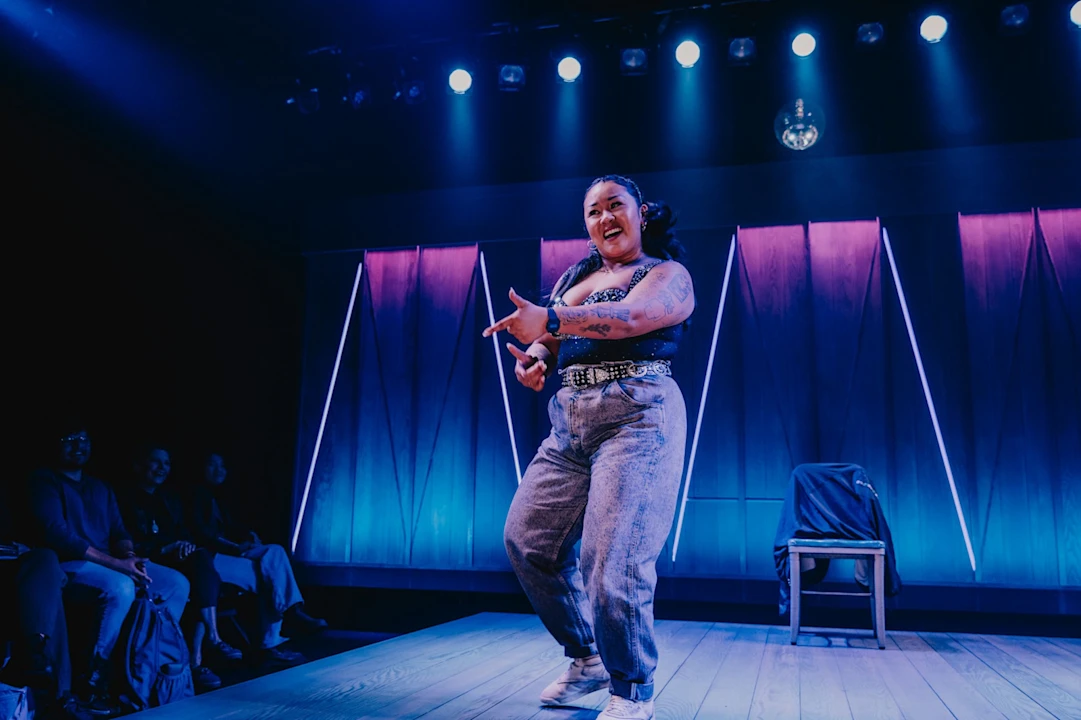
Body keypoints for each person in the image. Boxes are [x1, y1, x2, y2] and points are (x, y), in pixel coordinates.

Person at [483, 174, 695, 720]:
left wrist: (550, 318)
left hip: (638, 412)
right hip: (570, 421)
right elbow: (552, 338)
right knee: (528, 540)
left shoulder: (666, 274)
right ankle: (588, 659)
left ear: (640, 213)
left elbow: (634, 318)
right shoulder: (577, 277)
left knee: (613, 560)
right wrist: (536, 357)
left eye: (615, 206)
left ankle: (631, 692)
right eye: (594, 211)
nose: (605, 218)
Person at [27, 421, 191, 711]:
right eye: (69, 439)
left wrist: (130, 557)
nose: (79, 445)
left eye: (84, 439)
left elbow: (119, 532)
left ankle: (146, 668)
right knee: (120, 586)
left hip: (110, 562)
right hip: (67, 565)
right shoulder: (44, 480)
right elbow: (56, 534)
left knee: (176, 583)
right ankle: (93, 679)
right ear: (55, 444)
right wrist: (118, 564)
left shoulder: (99, 485)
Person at [119, 445, 244, 691]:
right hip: (146, 558)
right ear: (138, 465)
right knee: (196, 576)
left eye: (166, 463)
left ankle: (199, 657)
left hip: (174, 556)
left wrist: (185, 544)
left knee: (200, 562)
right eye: (155, 462)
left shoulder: (168, 498)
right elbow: (125, 539)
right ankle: (207, 648)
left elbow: (184, 531)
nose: (161, 468)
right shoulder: (124, 498)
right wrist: (165, 548)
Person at [189, 452, 324, 664]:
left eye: (222, 465)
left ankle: (289, 612)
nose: (219, 470)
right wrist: (235, 546)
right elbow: (201, 534)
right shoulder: (192, 494)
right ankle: (276, 634)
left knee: (275, 555)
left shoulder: (217, 497)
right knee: (270, 573)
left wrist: (248, 535)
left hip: (228, 552)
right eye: (212, 465)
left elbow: (231, 527)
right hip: (208, 559)